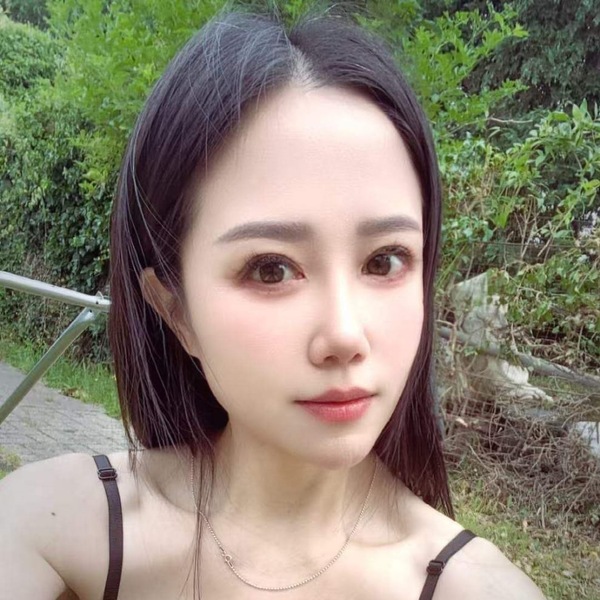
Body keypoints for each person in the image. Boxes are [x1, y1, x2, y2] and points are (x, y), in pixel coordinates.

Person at [0, 7, 546, 600]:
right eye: (271, 269)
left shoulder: (477, 588)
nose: (345, 334)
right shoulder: (48, 529)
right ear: (175, 311)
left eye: (385, 261)